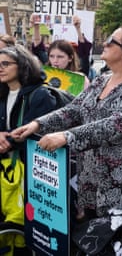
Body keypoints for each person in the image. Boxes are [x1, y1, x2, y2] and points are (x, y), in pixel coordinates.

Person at [11, 25, 122, 256]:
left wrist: (67, 136)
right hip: (95, 182)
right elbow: (73, 110)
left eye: (113, 40)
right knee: (100, 243)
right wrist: (38, 125)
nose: (106, 43)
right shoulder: (102, 80)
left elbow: (118, 124)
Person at [0, 45, 57, 253]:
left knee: (28, 225)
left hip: (31, 172)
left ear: (22, 66)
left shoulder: (40, 94)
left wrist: (7, 140)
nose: (0, 68)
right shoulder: (2, 92)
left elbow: (38, 132)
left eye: (5, 64)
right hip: (6, 170)